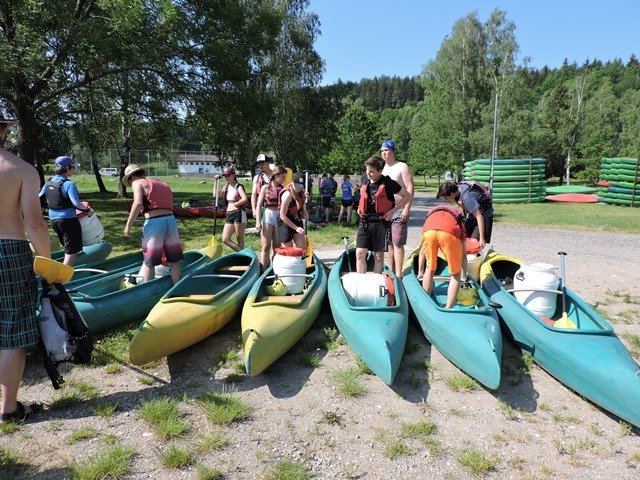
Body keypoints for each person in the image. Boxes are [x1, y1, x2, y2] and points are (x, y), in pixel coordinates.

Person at [1, 119, 51, 424]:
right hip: (9, 250)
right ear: (3, 130)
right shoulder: (21, 169)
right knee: (13, 327)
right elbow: (35, 223)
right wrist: (47, 262)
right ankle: (8, 408)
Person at [123, 164, 183, 284]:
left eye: (129, 180)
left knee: (150, 261)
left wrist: (128, 225)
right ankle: (177, 287)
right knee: (174, 260)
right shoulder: (163, 183)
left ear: (131, 177)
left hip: (154, 222)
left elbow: (138, 203)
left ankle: (147, 288)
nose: (130, 183)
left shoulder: (137, 182)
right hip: (171, 220)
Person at [356, 156, 413, 274]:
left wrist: (393, 211)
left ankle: (377, 281)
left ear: (380, 171)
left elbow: (407, 196)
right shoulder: (364, 179)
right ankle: (361, 279)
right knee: (360, 253)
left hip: (381, 222)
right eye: (367, 170)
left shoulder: (388, 182)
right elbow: (363, 196)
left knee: (378, 255)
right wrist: (359, 208)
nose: (368, 173)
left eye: (372, 171)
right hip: (365, 221)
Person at [39, 156, 93, 266]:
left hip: (54, 220)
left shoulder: (49, 183)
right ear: (67, 168)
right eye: (73, 167)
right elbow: (76, 204)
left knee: (67, 247)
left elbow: (39, 197)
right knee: (71, 251)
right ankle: (63, 274)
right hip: (68, 220)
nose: (74, 169)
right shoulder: (69, 184)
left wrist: (48, 207)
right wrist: (87, 210)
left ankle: (65, 268)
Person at [421, 205, 468, 308]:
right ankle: (449, 307)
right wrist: (464, 276)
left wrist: (420, 272)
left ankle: (425, 303)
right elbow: (463, 255)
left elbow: (421, 252)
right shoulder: (458, 220)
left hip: (428, 231)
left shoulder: (432, 215)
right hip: (448, 233)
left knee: (430, 268)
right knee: (455, 274)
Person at [381, 139, 414, 278]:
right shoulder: (382, 168)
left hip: (399, 210)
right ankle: (391, 271)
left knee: (398, 242)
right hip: (385, 211)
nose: (384, 153)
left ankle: (399, 274)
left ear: (393, 151)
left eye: (386, 150)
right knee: (388, 242)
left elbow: (410, 187)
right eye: (382, 151)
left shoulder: (402, 167)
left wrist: (407, 208)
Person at [436, 180, 493, 248]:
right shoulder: (457, 190)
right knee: (463, 237)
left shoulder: (468, 198)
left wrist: (482, 238)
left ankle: (475, 253)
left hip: (484, 217)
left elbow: (479, 217)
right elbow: (464, 210)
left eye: (446, 198)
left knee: (473, 242)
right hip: (473, 215)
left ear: (452, 194)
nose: (446, 200)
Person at [255, 165, 286, 271]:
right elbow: (259, 205)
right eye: (282, 177)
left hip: (278, 216)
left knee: (277, 247)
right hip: (268, 215)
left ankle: (274, 270)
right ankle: (263, 270)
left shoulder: (283, 188)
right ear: (276, 175)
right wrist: (258, 221)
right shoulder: (265, 187)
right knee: (266, 246)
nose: (283, 179)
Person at [215, 166, 248, 252]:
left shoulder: (238, 186)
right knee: (225, 239)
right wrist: (215, 181)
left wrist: (236, 204)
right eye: (225, 176)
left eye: (228, 175)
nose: (226, 177)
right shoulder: (226, 187)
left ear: (233, 175)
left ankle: (242, 255)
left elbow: (244, 199)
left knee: (239, 238)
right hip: (229, 214)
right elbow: (215, 195)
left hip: (238, 213)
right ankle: (243, 253)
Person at [279, 173, 309, 249]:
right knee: (288, 250)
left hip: (296, 218)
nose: (299, 187)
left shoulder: (302, 192)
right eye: (297, 184)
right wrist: (296, 228)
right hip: (285, 222)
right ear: (292, 182)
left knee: (301, 249)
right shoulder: (287, 195)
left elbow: (304, 215)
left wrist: (305, 203)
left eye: (301, 185)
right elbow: (282, 216)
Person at [251, 154, 273, 218]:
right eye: (259, 164)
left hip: (275, 208)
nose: (260, 166)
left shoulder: (276, 176)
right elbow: (254, 194)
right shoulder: (257, 178)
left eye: (262, 163)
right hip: (262, 207)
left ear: (268, 163)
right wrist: (254, 209)